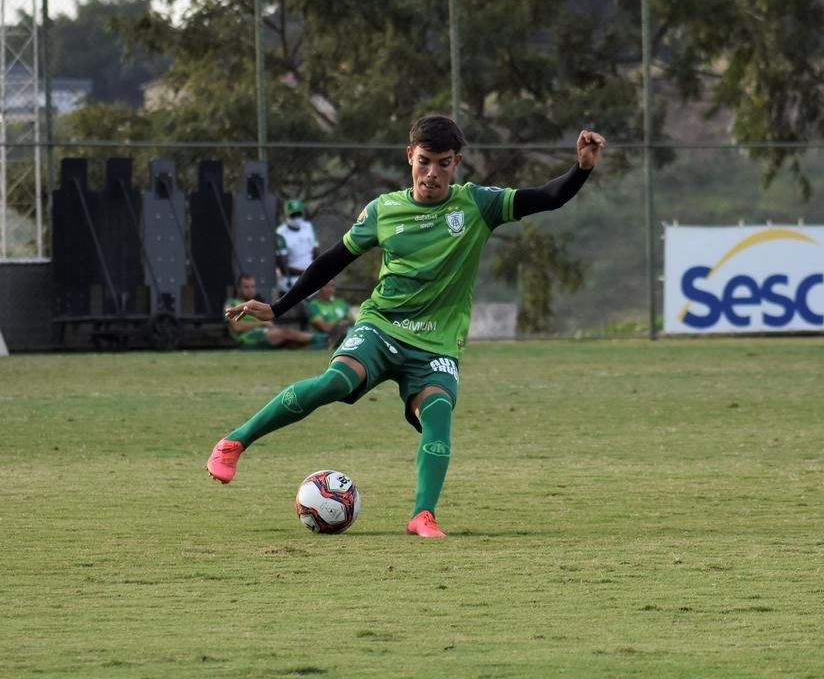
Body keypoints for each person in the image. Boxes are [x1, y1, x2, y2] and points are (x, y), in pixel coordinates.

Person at [207, 114, 605, 538]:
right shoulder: (384, 210)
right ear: (409, 156)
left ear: (457, 163)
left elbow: (547, 197)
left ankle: (422, 515)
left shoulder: (477, 205)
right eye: (425, 161)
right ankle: (234, 442)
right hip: (382, 326)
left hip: (436, 344)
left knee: (437, 413)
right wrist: (279, 307)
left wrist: (581, 167)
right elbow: (331, 261)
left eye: (444, 163)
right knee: (335, 383)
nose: (433, 173)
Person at [224, 274, 325, 349]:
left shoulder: (256, 303)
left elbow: (269, 323)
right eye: (246, 287)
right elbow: (236, 327)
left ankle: (324, 344)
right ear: (239, 288)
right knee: (285, 334)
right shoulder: (232, 303)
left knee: (292, 342)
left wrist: (266, 325)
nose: (250, 290)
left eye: (253, 286)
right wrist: (261, 324)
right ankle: (323, 338)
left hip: (265, 334)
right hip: (246, 339)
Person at [276, 198, 319, 295]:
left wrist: (316, 270)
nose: (296, 218)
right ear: (286, 215)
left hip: (311, 281)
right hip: (290, 284)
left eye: (298, 214)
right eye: (293, 215)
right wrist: (305, 272)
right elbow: (283, 267)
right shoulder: (280, 233)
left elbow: (316, 252)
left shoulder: (308, 226)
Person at [307, 281, 354, 348]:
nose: (329, 289)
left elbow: (353, 321)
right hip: (326, 337)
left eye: (332, 286)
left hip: (348, 332)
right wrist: (339, 325)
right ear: (319, 288)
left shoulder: (341, 303)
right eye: (326, 286)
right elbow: (324, 328)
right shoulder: (314, 305)